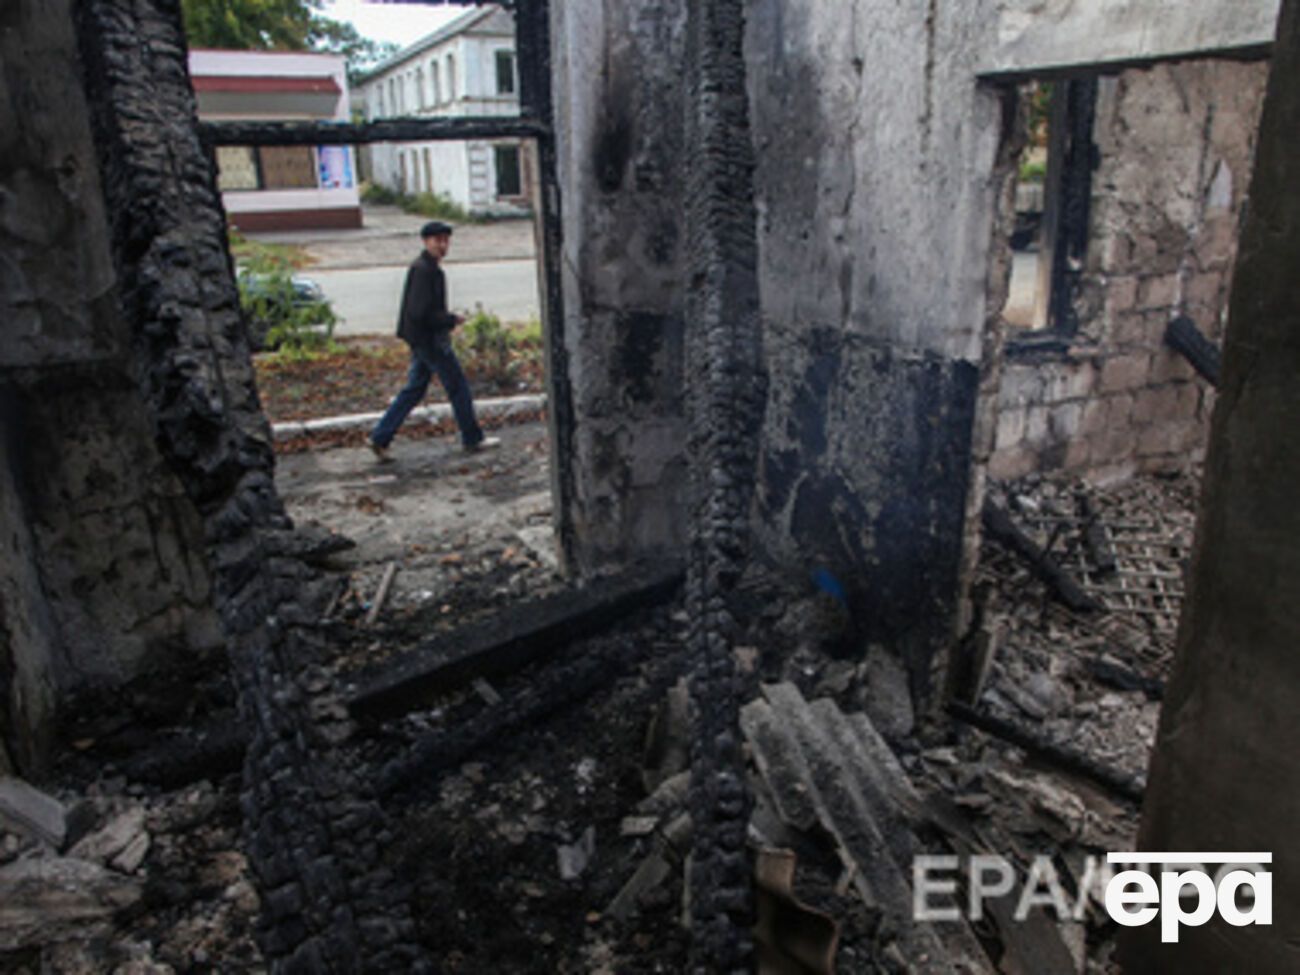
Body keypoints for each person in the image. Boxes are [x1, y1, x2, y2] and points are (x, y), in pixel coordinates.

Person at [369, 220, 500, 461]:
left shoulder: (425, 268)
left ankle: (380, 437)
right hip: (430, 341)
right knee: (458, 387)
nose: (442, 245)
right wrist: (450, 319)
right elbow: (420, 313)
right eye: (437, 240)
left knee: (414, 389)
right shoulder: (426, 271)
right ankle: (472, 438)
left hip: (422, 340)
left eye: (446, 240)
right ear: (425, 242)